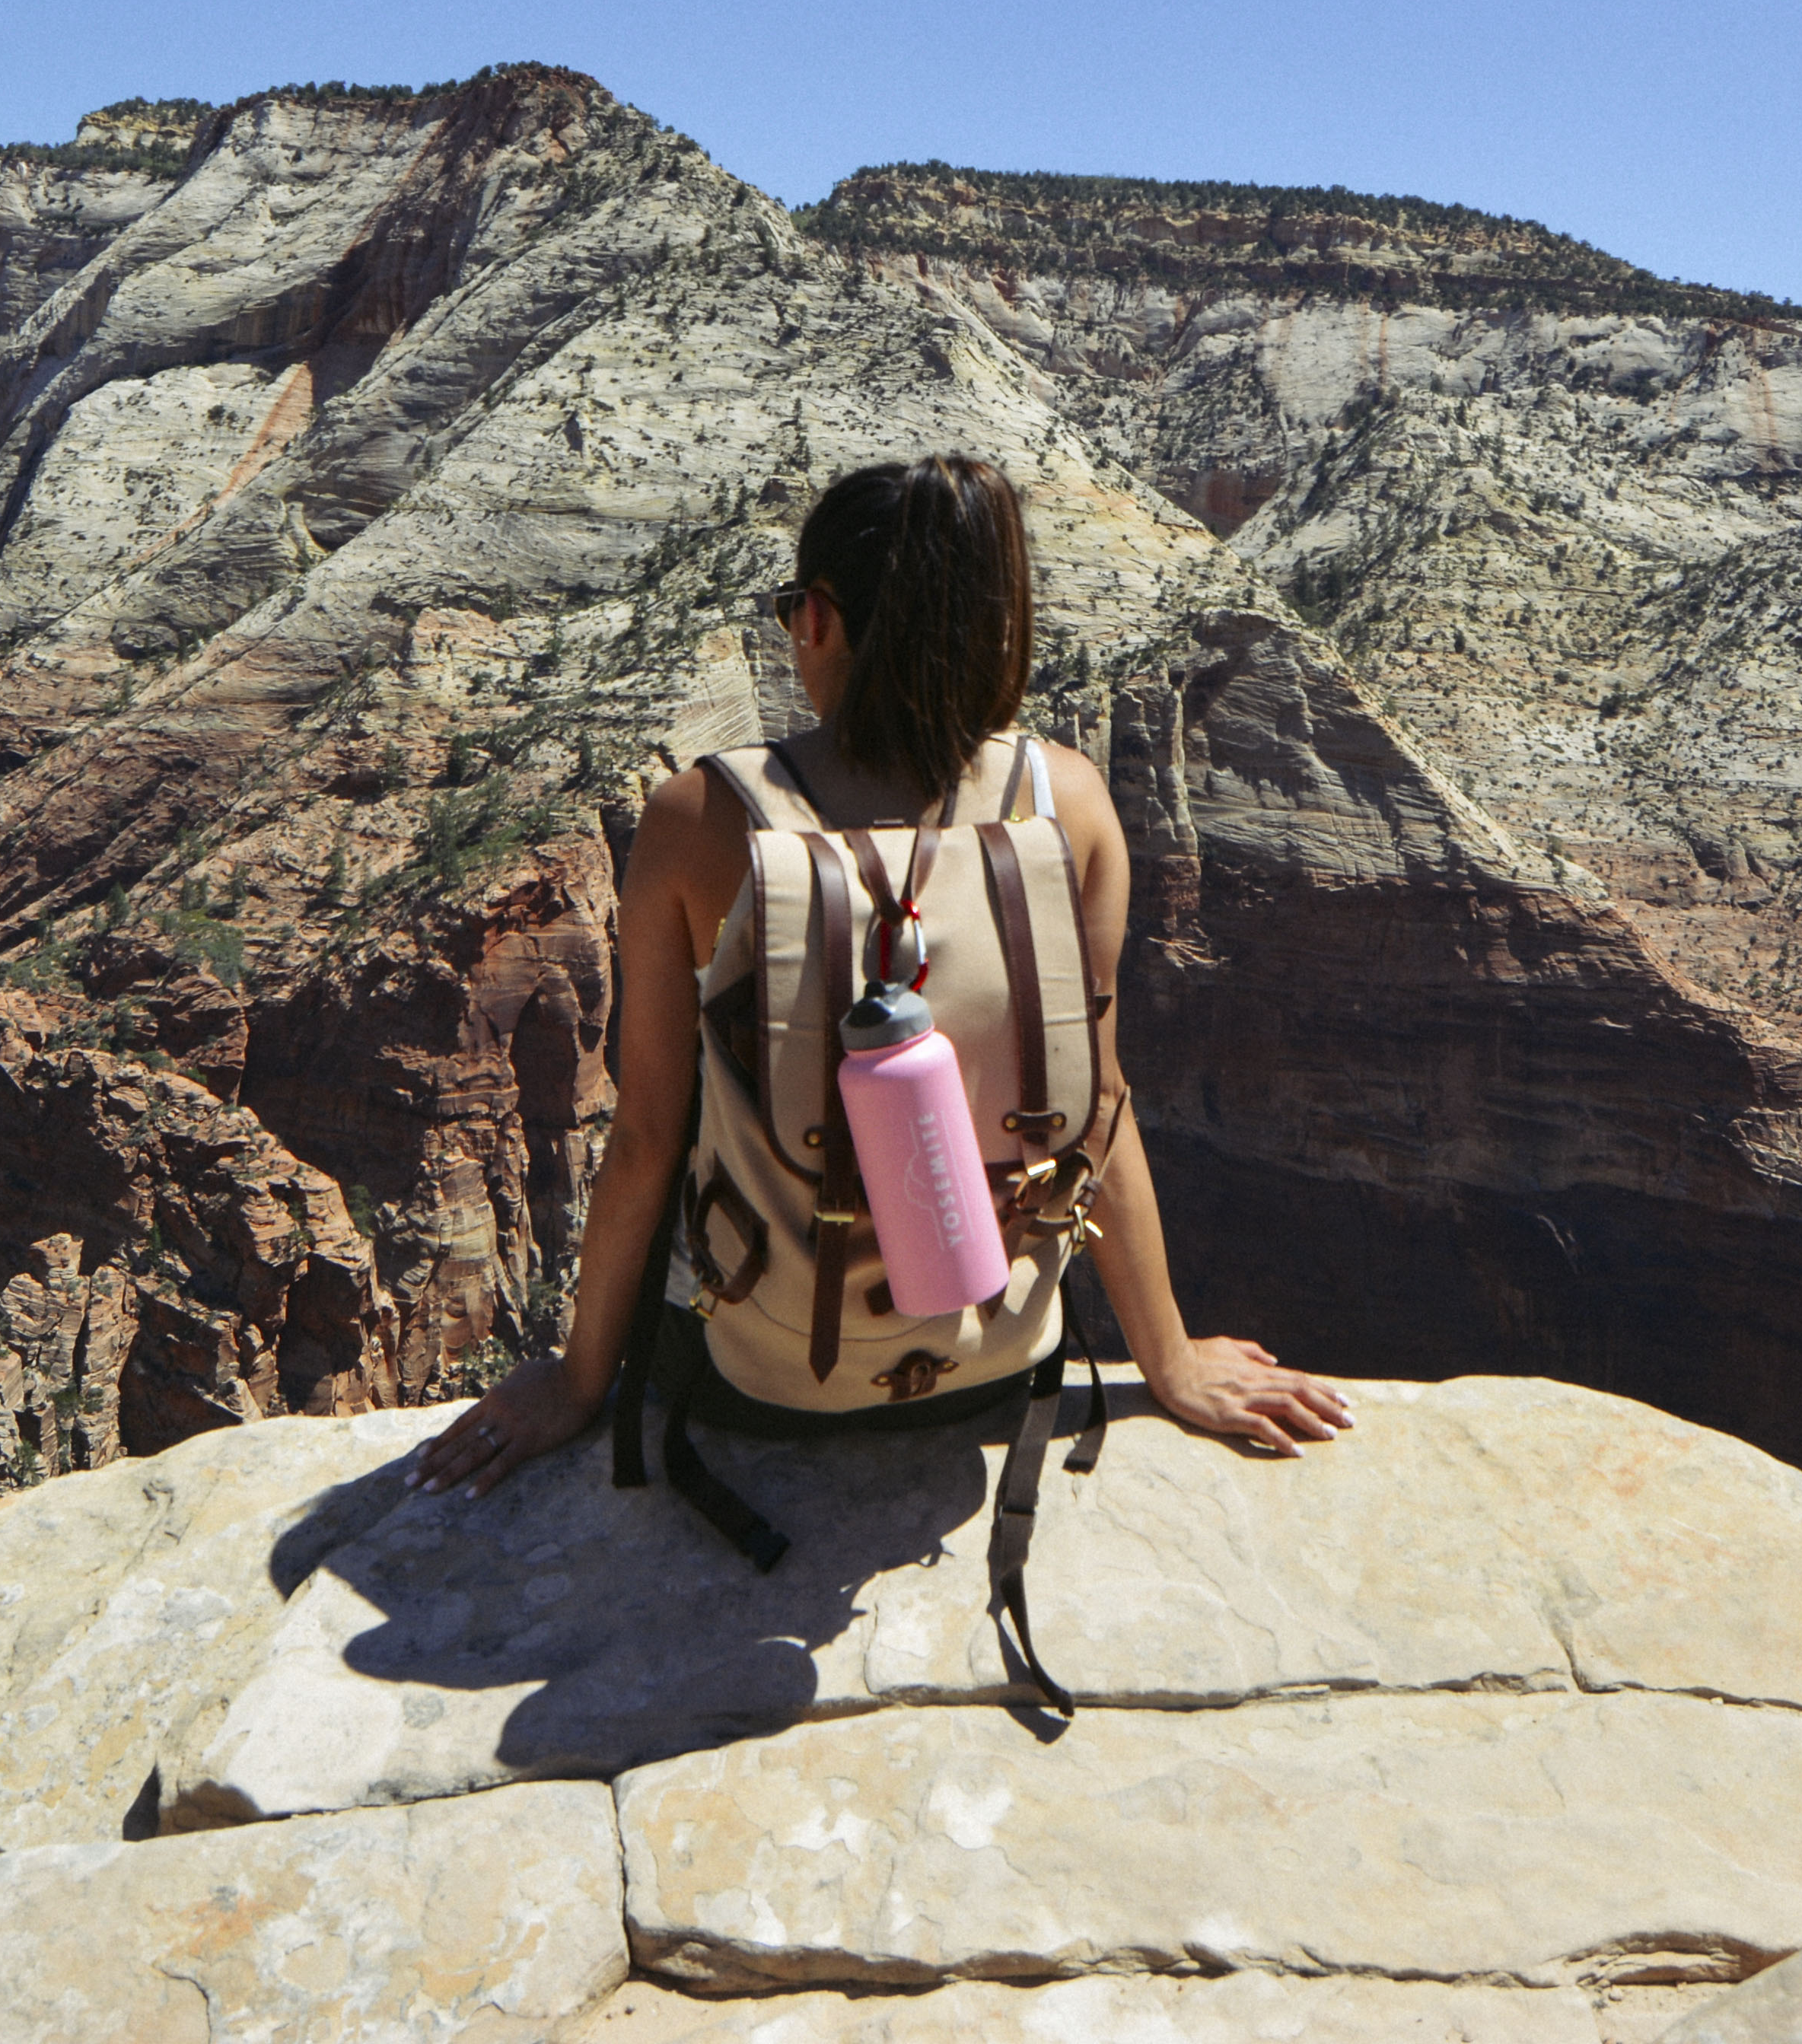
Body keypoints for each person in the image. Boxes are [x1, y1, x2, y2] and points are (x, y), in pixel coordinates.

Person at [416, 453, 1352, 1501]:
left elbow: (644, 1136)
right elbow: (1103, 1103)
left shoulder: (700, 820)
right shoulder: (1069, 803)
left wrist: (580, 1384)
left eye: (792, 611)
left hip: (759, 1376)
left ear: (817, 619)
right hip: (1006, 1358)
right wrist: (1170, 1364)